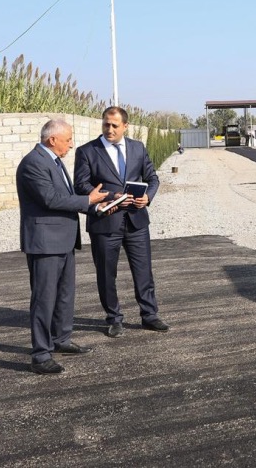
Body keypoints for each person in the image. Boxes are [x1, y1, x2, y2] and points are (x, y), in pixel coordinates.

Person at [16, 119, 109, 374]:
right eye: (68, 140)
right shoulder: (33, 163)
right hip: (45, 244)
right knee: (44, 299)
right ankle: (41, 355)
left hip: (63, 241)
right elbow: (50, 198)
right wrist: (87, 200)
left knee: (65, 295)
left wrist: (94, 206)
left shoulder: (53, 161)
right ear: (52, 139)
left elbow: (64, 197)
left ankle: (61, 339)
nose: (71, 145)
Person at [74, 106, 169, 338]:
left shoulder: (138, 148)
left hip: (137, 221)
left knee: (143, 270)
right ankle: (114, 318)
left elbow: (152, 178)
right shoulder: (87, 151)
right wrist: (109, 196)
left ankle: (149, 315)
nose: (109, 129)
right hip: (105, 222)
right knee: (106, 274)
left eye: (115, 125)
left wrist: (147, 198)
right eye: (106, 124)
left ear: (125, 126)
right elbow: (81, 186)